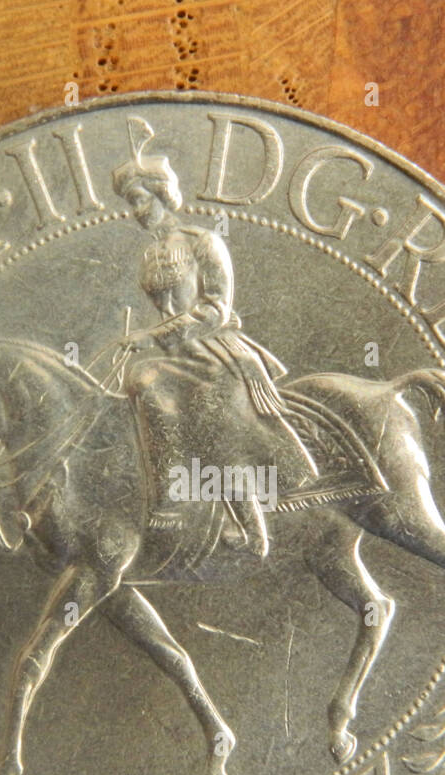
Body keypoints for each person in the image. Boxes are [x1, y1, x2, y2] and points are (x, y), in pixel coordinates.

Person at [111, 118, 316, 557]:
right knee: (138, 382)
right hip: (174, 352)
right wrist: (145, 338)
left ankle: (244, 523)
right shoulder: (151, 254)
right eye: (130, 203)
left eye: (140, 200)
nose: (136, 211)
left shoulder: (203, 241)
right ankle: (168, 490)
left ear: (163, 196)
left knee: (176, 395)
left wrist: (154, 336)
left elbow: (215, 309)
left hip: (215, 350)